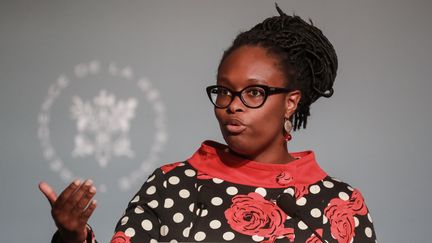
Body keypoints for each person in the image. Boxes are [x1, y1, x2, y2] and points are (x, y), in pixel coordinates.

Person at [39, 4, 377, 243]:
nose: (232, 106)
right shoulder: (172, 185)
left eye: (254, 93)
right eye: (224, 92)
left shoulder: (341, 206)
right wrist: (73, 238)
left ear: (291, 101)